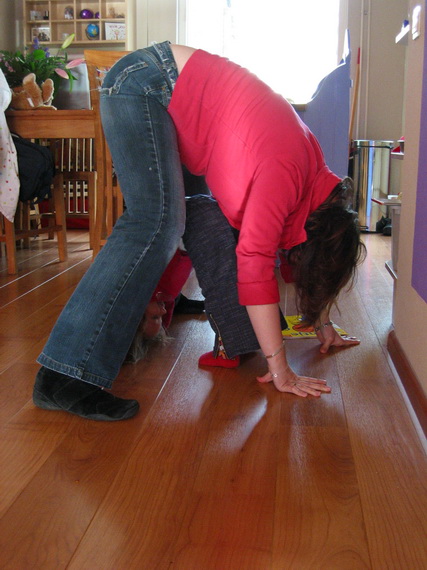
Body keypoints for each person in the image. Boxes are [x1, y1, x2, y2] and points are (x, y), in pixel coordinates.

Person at [33, 41, 365, 421]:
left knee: (192, 214)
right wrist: (280, 369)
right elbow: (254, 265)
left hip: (171, 95)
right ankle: (62, 375)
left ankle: (164, 304)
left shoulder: (315, 188)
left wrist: (322, 322)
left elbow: (302, 257)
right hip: (147, 82)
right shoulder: (285, 173)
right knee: (155, 221)